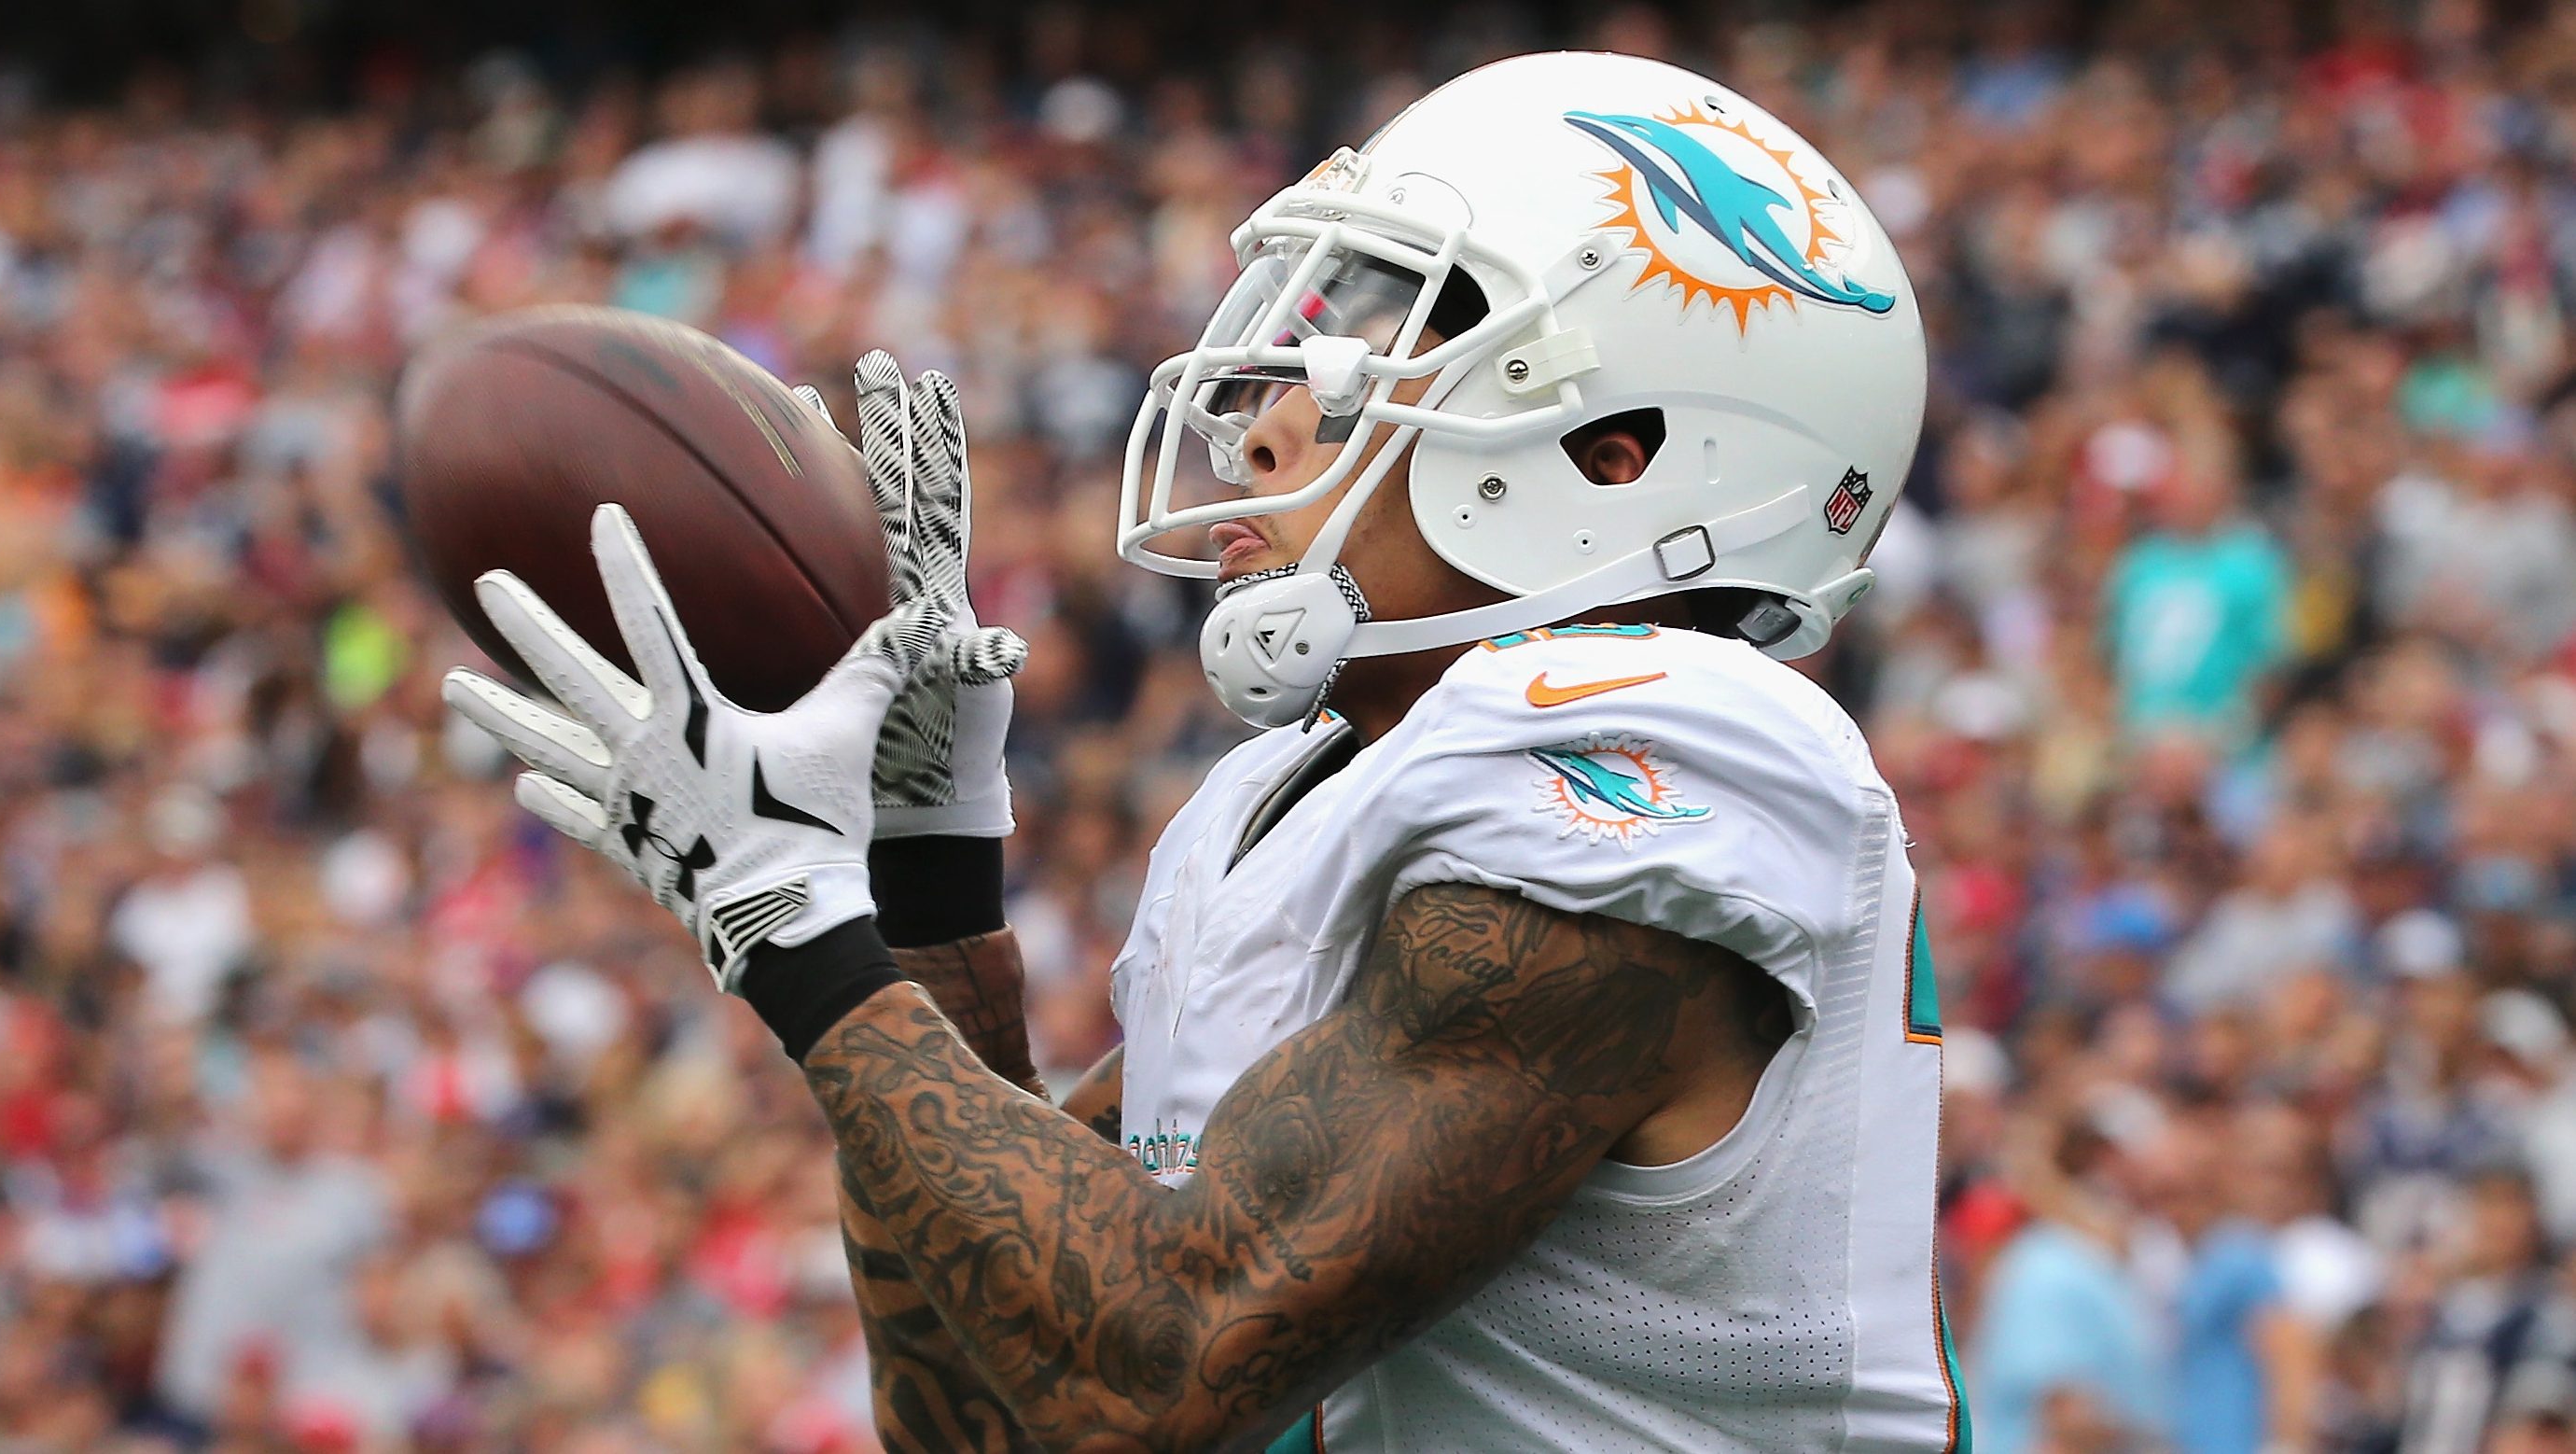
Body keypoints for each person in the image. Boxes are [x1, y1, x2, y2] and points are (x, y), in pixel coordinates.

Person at [444, 51, 1951, 1452]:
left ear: (1612, 452)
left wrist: (800, 936)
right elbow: (992, 1408)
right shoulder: (1295, 794)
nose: (1259, 413)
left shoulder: (1663, 751)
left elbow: (1162, 1368)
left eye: (1361, 341)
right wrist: (926, 874)